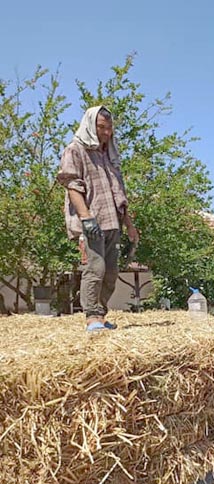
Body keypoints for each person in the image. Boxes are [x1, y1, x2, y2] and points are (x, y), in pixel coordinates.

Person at [58, 106, 139, 331]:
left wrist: (129, 225)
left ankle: (101, 315)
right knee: (96, 267)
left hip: (112, 220)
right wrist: (86, 217)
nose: (106, 133)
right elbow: (72, 185)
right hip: (91, 221)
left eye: (110, 128)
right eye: (101, 127)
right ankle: (91, 317)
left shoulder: (109, 155)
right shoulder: (75, 150)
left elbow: (119, 193)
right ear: (90, 125)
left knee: (111, 272)